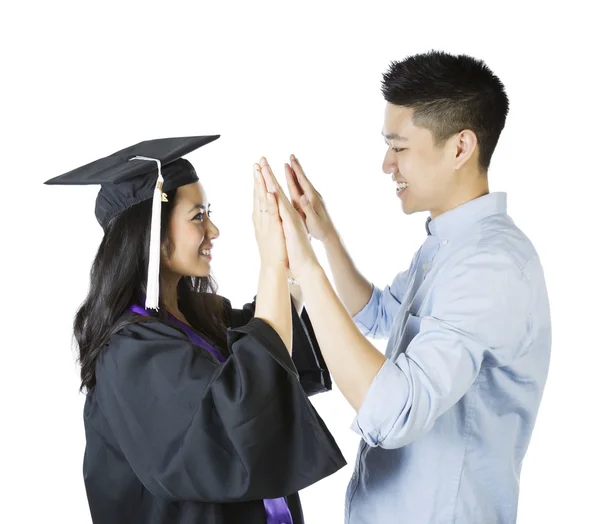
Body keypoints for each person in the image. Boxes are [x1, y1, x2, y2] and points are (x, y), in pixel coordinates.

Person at [258, 50, 552, 523]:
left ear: (460, 148)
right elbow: (378, 313)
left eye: (399, 148)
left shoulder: (489, 266)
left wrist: (305, 267)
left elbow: (395, 412)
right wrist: (325, 236)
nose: (385, 165)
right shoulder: (449, 244)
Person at [44, 136, 346, 524]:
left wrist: (292, 250)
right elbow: (246, 400)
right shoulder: (130, 352)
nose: (214, 230)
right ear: (153, 229)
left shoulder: (198, 317)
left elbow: (267, 342)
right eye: (198, 216)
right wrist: (270, 263)